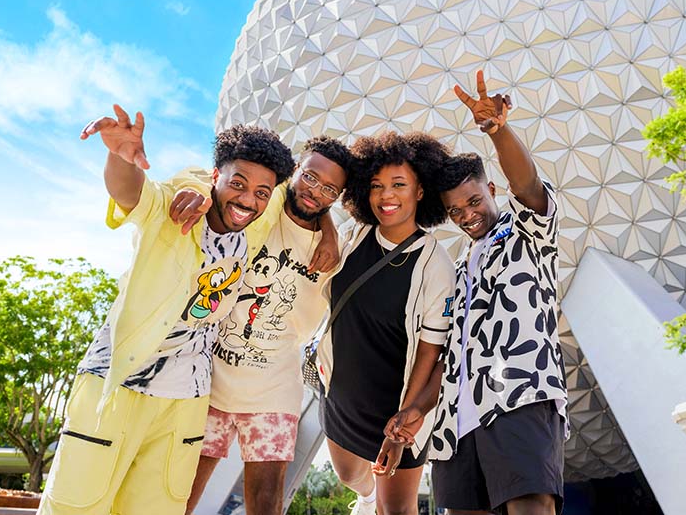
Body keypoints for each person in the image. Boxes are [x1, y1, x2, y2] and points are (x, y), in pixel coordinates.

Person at [37, 106, 295, 515]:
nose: (248, 199)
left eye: (261, 193)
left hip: (184, 405)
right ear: (216, 178)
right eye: (238, 184)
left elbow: (296, 193)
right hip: (118, 387)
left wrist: (331, 231)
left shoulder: (257, 223)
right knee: (76, 507)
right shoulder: (170, 212)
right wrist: (121, 158)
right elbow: (131, 192)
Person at [385, 71, 568, 515]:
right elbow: (453, 356)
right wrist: (416, 410)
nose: (467, 215)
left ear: (490, 190)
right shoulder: (462, 267)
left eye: (474, 202)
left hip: (518, 396)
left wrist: (497, 130)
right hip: (455, 424)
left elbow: (527, 186)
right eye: (455, 211)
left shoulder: (527, 233)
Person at [183, 136, 352, 515]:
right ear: (294, 171)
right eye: (310, 177)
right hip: (210, 379)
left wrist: (328, 230)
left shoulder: (332, 254)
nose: (315, 192)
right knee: (182, 491)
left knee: (265, 502)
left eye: (330, 189)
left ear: (338, 196)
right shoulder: (258, 208)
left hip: (274, 389)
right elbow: (212, 181)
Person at [314, 131, 456, 515]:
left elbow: (430, 351)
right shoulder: (354, 234)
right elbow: (312, 213)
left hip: (395, 406)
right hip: (341, 394)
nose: (386, 196)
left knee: (397, 510)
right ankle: (367, 497)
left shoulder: (435, 264)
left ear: (420, 191)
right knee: (348, 474)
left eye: (398, 185)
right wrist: (328, 228)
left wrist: (403, 426)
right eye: (376, 186)